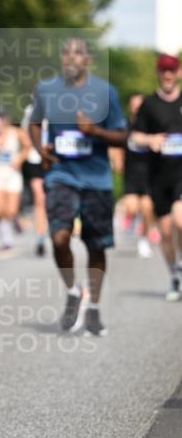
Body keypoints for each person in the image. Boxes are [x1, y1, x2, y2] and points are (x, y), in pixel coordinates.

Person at [28, 37, 127, 336]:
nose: (71, 58)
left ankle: (93, 307)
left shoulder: (105, 92)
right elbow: (34, 123)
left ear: (88, 59)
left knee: (96, 246)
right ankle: (73, 290)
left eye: (78, 53)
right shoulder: (46, 89)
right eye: (66, 53)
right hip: (61, 174)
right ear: (61, 58)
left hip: (97, 179)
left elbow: (123, 136)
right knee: (59, 237)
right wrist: (40, 149)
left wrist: (95, 131)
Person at [132, 54, 182, 301]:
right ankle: (175, 275)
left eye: (172, 70)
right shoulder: (149, 104)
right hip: (159, 175)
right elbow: (135, 136)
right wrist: (150, 139)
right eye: (164, 70)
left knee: (180, 220)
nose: (168, 75)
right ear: (158, 73)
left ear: (179, 72)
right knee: (165, 232)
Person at [120, 94, 157, 259]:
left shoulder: (152, 126)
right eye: (134, 105)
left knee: (147, 208)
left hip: (150, 173)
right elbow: (118, 145)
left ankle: (144, 239)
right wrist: (117, 161)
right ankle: (132, 222)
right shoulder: (125, 126)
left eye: (140, 105)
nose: (137, 108)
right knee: (132, 207)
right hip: (131, 173)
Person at [0, 112, 30, 250]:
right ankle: (7, 239)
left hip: (13, 174)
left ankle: (16, 219)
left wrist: (19, 159)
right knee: (0, 209)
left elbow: (28, 146)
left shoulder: (16, 132)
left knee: (11, 210)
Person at [21, 101, 48, 257]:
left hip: (56, 159)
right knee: (40, 198)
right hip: (36, 159)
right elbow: (24, 133)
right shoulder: (30, 110)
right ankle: (40, 237)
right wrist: (35, 145)